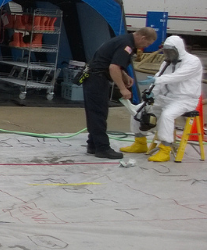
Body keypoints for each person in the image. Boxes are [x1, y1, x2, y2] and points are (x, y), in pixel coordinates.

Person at [120, 35, 203, 161]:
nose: (168, 54)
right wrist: (151, 92)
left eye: (171, 51)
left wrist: (157, 79)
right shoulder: (167, 62)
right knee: (138, 110)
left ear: (179, 49)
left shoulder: (193, 61)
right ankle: (140, 143)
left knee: (167, 115)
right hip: (166, 98)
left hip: (185, 99)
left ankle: (165, 148)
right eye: (166, 51)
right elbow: (159, 78)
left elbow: (178, 76)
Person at [83, 27, 156, 159]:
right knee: (98, 113)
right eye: (147, 44)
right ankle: (102, 148)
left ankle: (93, 144)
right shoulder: (127, 45)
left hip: (95, 77)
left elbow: (112, 62)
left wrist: (124, 76)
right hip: (97, 78)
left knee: (96, 112)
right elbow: (113, 67)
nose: (145, 47)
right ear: (143, 38)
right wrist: (122, 88)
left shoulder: (124, 40)